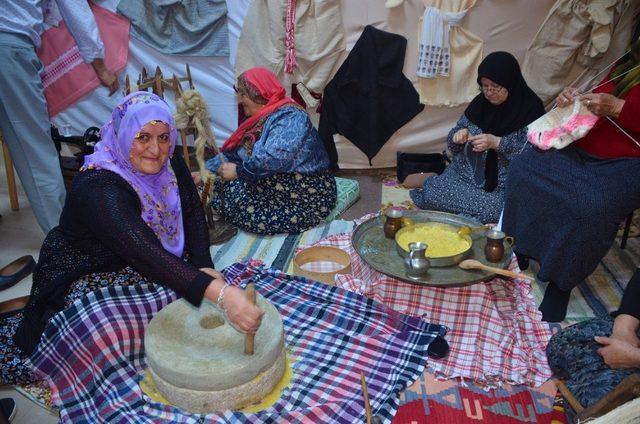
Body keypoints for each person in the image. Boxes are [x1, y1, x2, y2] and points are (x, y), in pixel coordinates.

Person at [0, 92, 263, 385]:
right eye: (143, 137)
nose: (156, 149)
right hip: (86, 270)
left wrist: (204, 266)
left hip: (140, 258)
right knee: (104, 330)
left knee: (175, 301)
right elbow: (145, 254)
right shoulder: (99, 187)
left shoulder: (168, 159)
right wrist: (221, 295)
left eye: (164, 137)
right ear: (124, 134)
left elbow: (191, 211)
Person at [502, 37, 640, 322]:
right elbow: (597, 101)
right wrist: (574, 100)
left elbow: (616, 107)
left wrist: (618, 108)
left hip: (629, 162)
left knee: (592, 205)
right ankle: (521, 247)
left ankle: (561, 283)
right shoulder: (628, 63)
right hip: (584, 147)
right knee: (524, 169)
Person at [0, 1, 120, 234]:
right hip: (10, 45)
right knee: (35, 153)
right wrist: (99, 64)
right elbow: (74, 7)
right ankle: (64, 246)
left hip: (10, 44)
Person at [409, 52, 544, 224]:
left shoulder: (531, 110)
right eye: (484, 86)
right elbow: (453, 140)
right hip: (462, 175)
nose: (489, 92)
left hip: (499, 186)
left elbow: (535, 156)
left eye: (495, 86)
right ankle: (466, 216)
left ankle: (461, 214)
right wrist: (458, 136)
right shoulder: (480, 104)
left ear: (510, 82)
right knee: (432, 194)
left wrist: (498, 143)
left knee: (496, 211)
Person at [206, 67, 336, 235]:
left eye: (243, 94)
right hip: (276, 180)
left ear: (259, 94)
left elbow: (272, 159)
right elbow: (235, 153)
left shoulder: (291, 117)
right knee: (220, 186)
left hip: (306, 190)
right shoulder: (259, 119)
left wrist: (239, 171)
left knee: (249, 213)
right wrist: (206, 169)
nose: (239, 100)